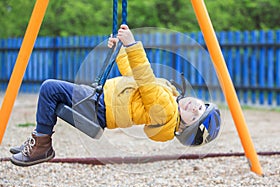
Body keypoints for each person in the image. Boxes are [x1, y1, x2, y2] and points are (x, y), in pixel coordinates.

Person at [10, 25, 221, 167]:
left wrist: (131, 45)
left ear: (183, 128)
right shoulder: (168, 97)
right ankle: (39, 139)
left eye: (194, 117)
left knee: (50, 89)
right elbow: (134, 77)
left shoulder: (166, 109)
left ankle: (42, 145)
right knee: (54, 93)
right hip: (103, 103)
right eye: (200, 107)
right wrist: (120, 52)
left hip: (102, 107)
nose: (195, 108)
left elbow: (145, 79)